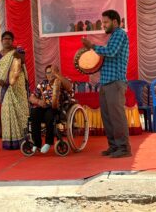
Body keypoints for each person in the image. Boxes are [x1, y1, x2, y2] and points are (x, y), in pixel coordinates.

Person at [82, 9, 131, 158]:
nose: (103, 25)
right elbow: (105, 57)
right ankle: (114, 146)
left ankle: (124, 148)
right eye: (102, 22)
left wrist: (92, 46)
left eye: (105, 22)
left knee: (116, 117)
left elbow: (111, 51)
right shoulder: (112, 36)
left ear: (115, 22)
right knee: (108, 117)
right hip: (106, 83)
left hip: (115, 82)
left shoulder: (120, 34)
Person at [0, 31, 29, 150]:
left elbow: (22, 61)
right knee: (7, 111)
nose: (6, 41)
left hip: (17, 85)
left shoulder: (17, 51)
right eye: (4, 39)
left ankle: (24, 139)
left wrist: (18, 53)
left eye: (9, 39)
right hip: (3, 86)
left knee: (21, 110)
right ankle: (10, 142)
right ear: (1, 41)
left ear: (12, 41)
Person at [29, 65, 74, 154]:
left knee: (49, 115)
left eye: (53, 72)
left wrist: (57, 75)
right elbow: (31, 97)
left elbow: (69, 87)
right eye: (49, 72)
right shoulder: (42, 84)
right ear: (46, 74)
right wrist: (38, 101)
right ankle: (36, 143)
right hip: (43, 106)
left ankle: (48, 142)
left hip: (56, 108)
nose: (51, 74)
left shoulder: (62, 81)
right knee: (34, 113)